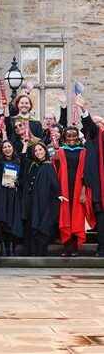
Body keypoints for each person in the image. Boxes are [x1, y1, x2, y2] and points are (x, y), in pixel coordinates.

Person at [21, 141, 66, 257]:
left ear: (45, 151)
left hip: (43, 201)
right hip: (32, 201)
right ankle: (31, 251)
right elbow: (23, 162)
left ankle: (40, 252)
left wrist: (58, 194)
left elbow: (54, 183)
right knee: (31, 224)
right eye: (36, 151)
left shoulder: (49, 166)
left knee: (41, 223)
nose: (38, 152)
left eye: (40, 150)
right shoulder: (34, 165)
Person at [53, 126, 92, 257]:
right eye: (68, 136)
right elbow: (55, 170)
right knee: (65, 217)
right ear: (65, 137)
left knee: (77, 218)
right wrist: (55, 158)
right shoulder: (61, 151)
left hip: (77, 189)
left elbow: (86, 173)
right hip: (64, 189)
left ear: (78, 137)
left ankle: (75, 247)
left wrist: (83, 192)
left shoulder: (83, 152)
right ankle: (66, 247)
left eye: (74, 136)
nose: (71, 138)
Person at [0, 139, 25, 256]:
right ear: (1, 150)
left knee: (13, 221)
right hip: (1, 194)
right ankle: (4, 247)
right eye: (4, 147)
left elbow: (24, 178)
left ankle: (12, 248)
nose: (7, 149)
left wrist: (16, 184)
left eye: (9, 146)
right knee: (2, 222)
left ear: (13, 148)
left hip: (14, 194)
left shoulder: (18, 161)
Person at [79, 95, 104, 256]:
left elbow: (91, 127)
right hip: (96, 187)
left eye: (98, 123)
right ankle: (101, 248)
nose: (95, 126)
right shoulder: (90, 140)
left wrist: (83, 110)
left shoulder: (99, 135)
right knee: (100, 219)